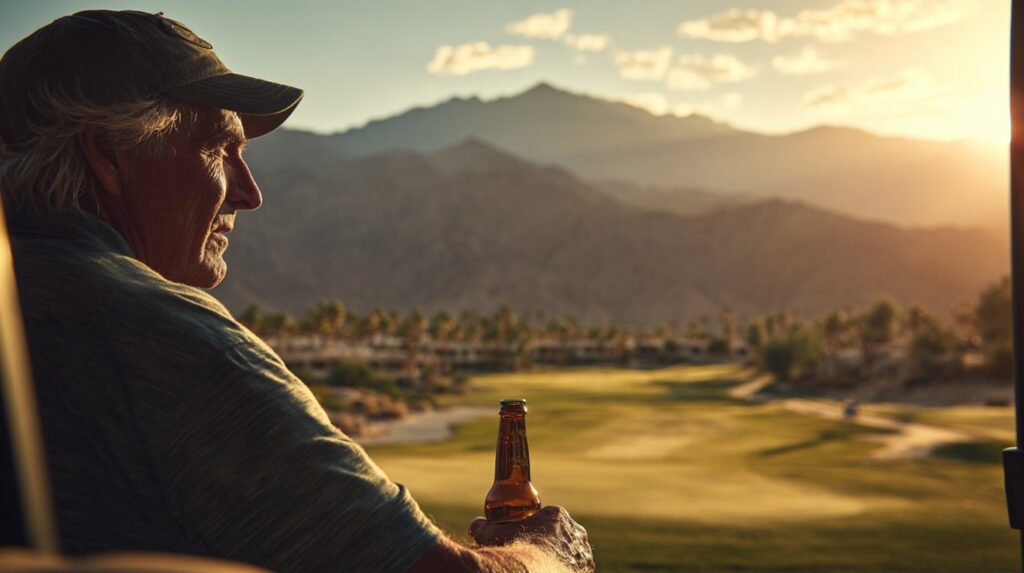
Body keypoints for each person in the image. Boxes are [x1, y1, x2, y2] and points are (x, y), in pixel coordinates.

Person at [0, 10, 593, 573]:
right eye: (218, 148)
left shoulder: (23, 300)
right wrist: (549, 554)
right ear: (107, 152)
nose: (249, 192)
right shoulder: (167, 343)